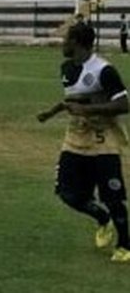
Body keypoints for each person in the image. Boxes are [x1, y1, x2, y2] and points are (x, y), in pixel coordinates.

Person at [37, 22, 130, 263]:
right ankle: (102, 219)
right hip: (76, 139)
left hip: (103, 140)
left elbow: (123, 104)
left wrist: (89, 111)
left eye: (66, 39)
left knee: (113, 196)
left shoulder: (103, 70)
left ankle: (124, 246)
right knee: (67, 193)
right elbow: (74, 100)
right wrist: (51, 112)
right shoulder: (66, 68)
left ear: (77, 42)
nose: (62, 44)